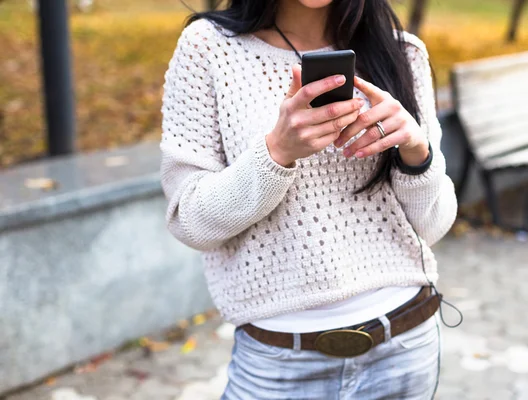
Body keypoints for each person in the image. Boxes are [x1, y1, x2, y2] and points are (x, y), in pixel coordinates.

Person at [160, 0, 458, 398]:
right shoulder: (208, 48)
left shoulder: (402, 53)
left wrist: (416, 152)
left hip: (405, 343)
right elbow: (189, 220)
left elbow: (434, 225)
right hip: (278, 362)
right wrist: (277, 152)